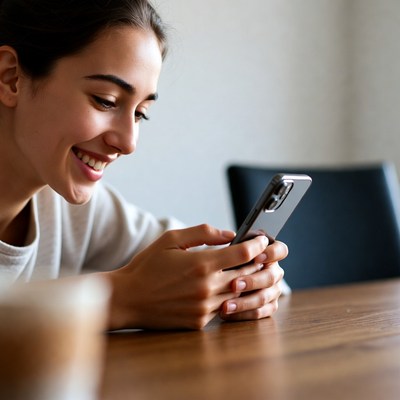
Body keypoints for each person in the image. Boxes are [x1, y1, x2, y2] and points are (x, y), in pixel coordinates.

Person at [0, 0, 288, 330]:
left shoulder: (74, 210)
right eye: (105, 101)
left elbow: (201, 270)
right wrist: (120, 299)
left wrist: (248, 282)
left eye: (140, 114)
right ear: (11, 77)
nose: (128, 142)